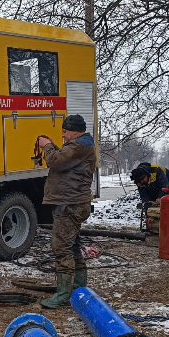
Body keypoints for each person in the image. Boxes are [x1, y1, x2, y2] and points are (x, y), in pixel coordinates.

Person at [36, 114, 97, 308]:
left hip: (70, 204)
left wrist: (46, 145)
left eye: (65, 131)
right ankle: (79, 288)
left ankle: (63, 295)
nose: (62, 135)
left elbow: (56, 161)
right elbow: (61, 159)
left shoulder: (79, 146)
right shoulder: (81, 146)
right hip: (73, 203)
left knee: (61, 247)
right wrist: (52, 146)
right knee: (72, 246)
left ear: (76, 131)